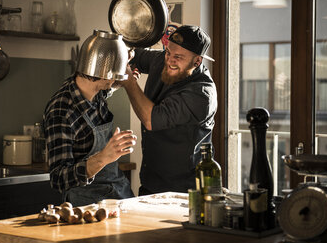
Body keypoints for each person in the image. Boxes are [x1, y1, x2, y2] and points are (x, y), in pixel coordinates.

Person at [120, 24, 218, 195]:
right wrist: (127, 53)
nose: (170, 60)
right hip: (151, 183)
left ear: (197, 61)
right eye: (168, 52)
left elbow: (151, 119)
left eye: (179, 57)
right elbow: (135, 53)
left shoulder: (202, 95)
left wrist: (129, 82)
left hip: (185, 193)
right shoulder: (163, 60)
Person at [43, 49, 137, 207]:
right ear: (101, 72)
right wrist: (104, 157)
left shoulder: (95, 91)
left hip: (119, 194)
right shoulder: (61, 111)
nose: (116, 78)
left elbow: (109, 88)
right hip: (87, 205)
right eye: (114, 71)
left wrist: (121, 64)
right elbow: (59, 179)